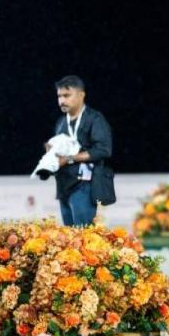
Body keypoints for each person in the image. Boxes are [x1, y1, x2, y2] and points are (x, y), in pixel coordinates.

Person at [48, 75, 113, 227]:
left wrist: (69, 158)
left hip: (84, 186)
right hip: (64, 186)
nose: (62, 100)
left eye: (66, 95)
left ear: (81, 95)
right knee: (70, 241)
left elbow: (103, 149)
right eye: (59, 96)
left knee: (83, 238)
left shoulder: (94, 119)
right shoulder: (61, 122)